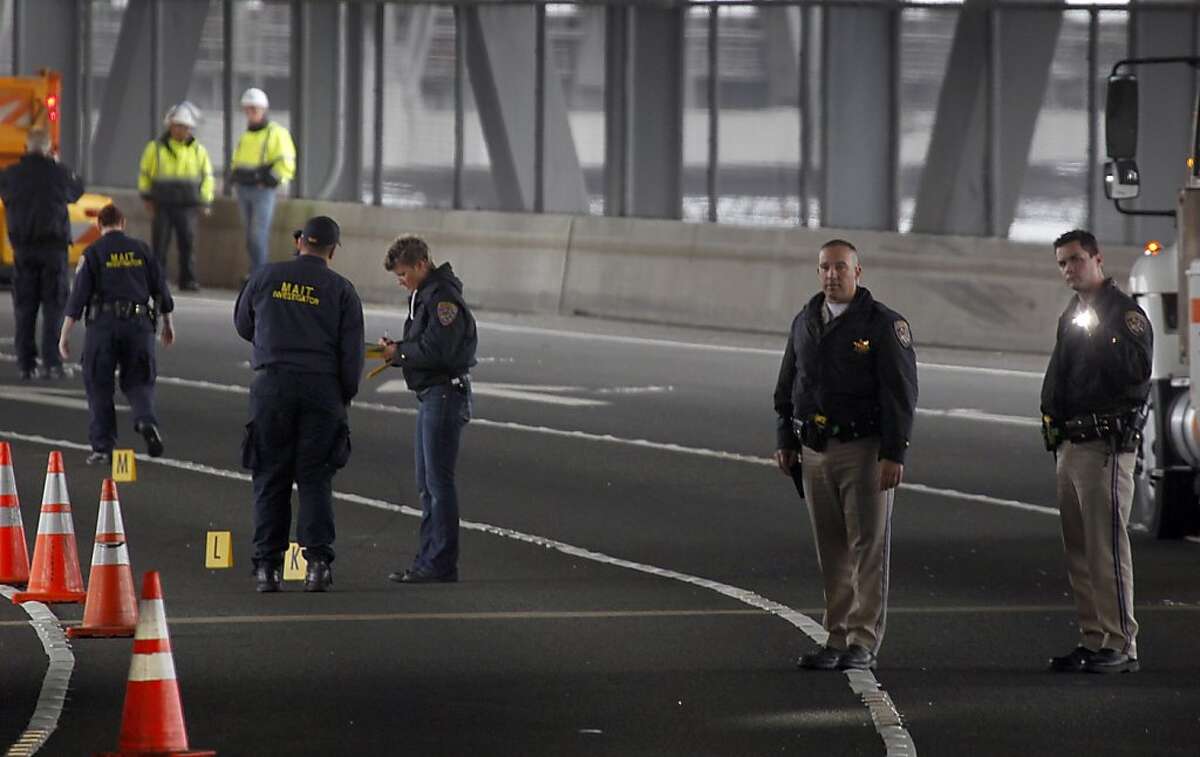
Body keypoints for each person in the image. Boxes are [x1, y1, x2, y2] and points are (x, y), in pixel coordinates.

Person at [773, 239, 918, 672]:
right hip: (816, 451)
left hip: (864, 451)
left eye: (840, 267)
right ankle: (836, 636)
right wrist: (785, 439)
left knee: (866, 548)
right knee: (832, 550)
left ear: (859, 272)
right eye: (824, 268)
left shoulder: (882, 325)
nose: (831, 275)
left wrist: (894, 453)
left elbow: (900, 394)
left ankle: (863, 639)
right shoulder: (805, 321)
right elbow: (787, 386)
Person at [1041, 229, 1151, 675]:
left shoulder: (1124, 315)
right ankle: (1094, 637)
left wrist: (1103, 335)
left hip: (1105, 446)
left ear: (1097, 259)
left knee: (1105, 547)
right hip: (1072, 442)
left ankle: (1122, 643)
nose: (1069, 269)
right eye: (1062, 263)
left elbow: (1137, 372)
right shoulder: (1073, 312)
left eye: (1075, 260)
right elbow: (1060, 374)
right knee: (1080, 550)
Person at [234, 215, 364, 593]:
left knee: (269, 476)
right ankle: (317, 566)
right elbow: (352, 355)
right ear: (332, 250)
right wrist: (342, 396)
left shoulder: (265, 276)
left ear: (299, 241)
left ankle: (267, 569)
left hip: (272, 386)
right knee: (315, 478)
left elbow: (243, 324)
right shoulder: (342, 290)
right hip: (321, 391)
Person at [381, 236, 477, 584]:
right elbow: (427, 345)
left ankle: (441, 562)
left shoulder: (442, 300)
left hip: (444, 395)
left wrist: (401, 354)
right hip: (431, 394)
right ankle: (428, 559)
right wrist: (399, 351)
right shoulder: (425, 296)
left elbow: (440, 351)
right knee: (426, 483)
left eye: (404, 273)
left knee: (438, 483)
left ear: (422, 264)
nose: (401, 280)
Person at [58, 204, 174, 465]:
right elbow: (161, 290)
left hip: (104, 326)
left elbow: (78, 298)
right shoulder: (143, 250)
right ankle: (145, 421)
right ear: (122, 223)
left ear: (99, 226)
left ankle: (103, 447)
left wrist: (64, 335)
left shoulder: (93, 253)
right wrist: (168, 324)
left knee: (99, 384)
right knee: (139, 380)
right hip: (140, 324)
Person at [0, 129, 84, 380]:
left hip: (23, 249)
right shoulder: (59, 173)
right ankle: (52, 362)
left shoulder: (11, 175)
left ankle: (26, 364)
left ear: (26, 148)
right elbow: (77, 189)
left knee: (25, 308)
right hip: (53, 249)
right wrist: (56, 163)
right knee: (54, 307)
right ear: (49, 149)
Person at [137, 101, 214, 292]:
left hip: (187, 205)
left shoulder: (198, 151)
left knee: (187, 244)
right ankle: (157, 280)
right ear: (170, 126)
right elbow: (145, 174)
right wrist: (147, 197)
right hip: (162, 203)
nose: (182, 130)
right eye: (178, 126)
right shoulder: (155, 149)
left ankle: (188, 280)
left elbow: (207, 178)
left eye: (185, 127)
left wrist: (204, 201)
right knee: (159, 244)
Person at [229, 88, 296, 276]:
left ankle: (259, 274)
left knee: (258, 236)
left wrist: (269, 181)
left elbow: (286, 162)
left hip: (262, 191)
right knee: (250, 237)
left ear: (263, 109)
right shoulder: (247, 135)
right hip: (244, 189)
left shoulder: (276, 133)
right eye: (248, 109)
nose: (251, 113)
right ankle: (255, 272)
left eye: (254, 109)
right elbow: (238, 161)